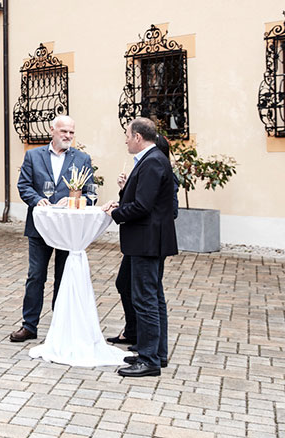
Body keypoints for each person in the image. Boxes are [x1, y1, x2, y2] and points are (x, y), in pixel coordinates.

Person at [103, 118, 178, 377]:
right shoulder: (152, 159)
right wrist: (124, 194)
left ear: (137, 137)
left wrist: (116, 213)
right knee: (153, 298)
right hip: (149, 239)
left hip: (147, 240)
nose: (125, 139)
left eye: (127, 134)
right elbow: (143, 198)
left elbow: (143, 206)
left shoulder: (153, 161)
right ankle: (157, 353)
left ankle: (149, 360)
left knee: (145, 299)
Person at [11, 115, 93, 342]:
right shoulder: (33, 155)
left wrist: (76, 200)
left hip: (69, 229)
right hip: (40, 227)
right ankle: (29, 326)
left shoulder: (82, 158)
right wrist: (37, 199)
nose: (68, 136)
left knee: (63, 276)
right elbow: (23, 185)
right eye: (63, 131)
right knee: (35, 276)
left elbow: (90, 192)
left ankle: (61, 324)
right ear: (52, 131)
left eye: (71, 132)